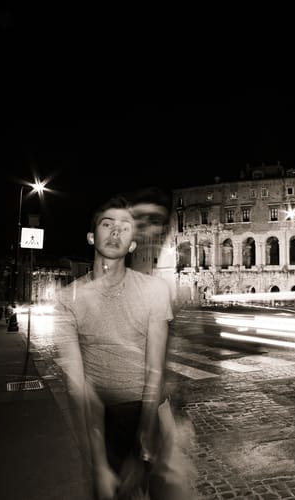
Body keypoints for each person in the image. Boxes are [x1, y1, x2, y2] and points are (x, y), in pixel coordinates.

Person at [54, 194, 193, 500]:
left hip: (152, 408)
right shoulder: (68, 300)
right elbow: (79, 388)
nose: (115, 232)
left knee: (172, 490)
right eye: (107, 224)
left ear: (133, 244)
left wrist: (144, 438)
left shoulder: (154, 291)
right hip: (104, 416)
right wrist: (99, 464)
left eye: (125, 227)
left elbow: (154, 370)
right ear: (92, 236)